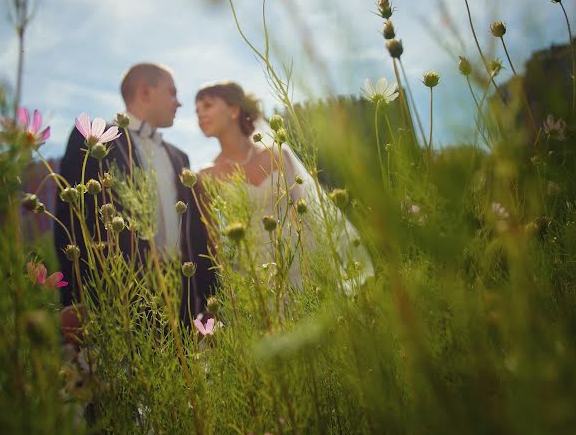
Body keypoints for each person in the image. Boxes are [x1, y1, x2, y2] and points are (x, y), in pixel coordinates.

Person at [54, 62, 215, 331]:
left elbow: (196, 233)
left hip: (184, 296)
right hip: (120, 297)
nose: (179, 103)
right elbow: (72, 219)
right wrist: (75, 299)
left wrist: (210, 298)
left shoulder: (180, 157)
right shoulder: (95, 140)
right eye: (172, 93)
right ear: (144, 92)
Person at [194, 80, 373, 289]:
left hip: (302, 258)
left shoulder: (278, 155)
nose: (200, 115)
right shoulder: (206, 175)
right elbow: (213, 240)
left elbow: (305, 209)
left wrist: (316, 263)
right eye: (197, 111)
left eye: (207, 106)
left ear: (234, 110)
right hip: (255, 274)